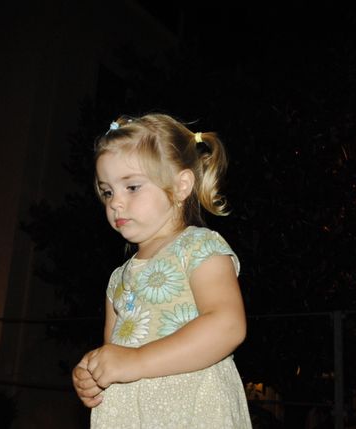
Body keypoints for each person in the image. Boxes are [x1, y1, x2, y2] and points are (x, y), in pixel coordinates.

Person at [72, 113, 253, 428]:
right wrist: (93, 375)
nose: (115, 203)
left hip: (192, 412)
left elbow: (228, 326)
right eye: (108, 191)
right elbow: (115, 353)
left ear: (181, 186)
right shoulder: (117, 279)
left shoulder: (199, 247)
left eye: (132, 187)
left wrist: (138, 360)